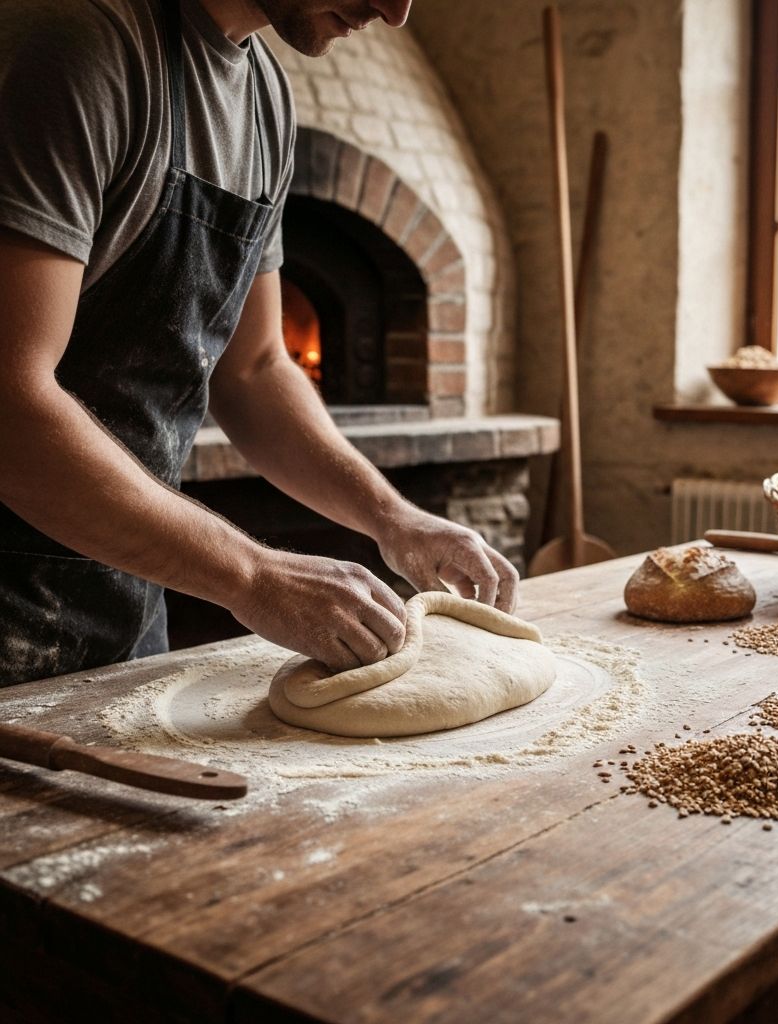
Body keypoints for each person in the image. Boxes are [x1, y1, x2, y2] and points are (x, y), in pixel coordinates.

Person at [0, 0, 518, 686]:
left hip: (123, 587)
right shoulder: (81, 44)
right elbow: (10, 404)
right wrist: (252, 575)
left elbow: (256, 368)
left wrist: (393, 519)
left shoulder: (265, 96)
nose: (395, 11)